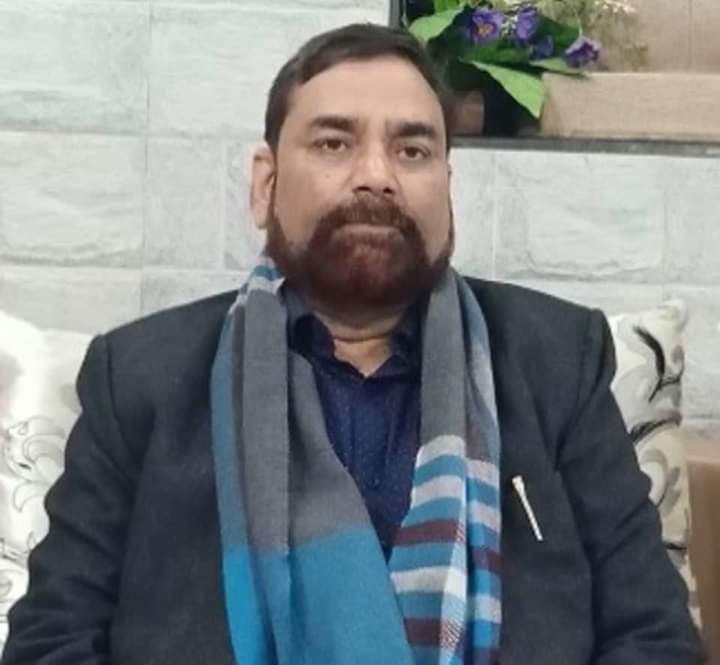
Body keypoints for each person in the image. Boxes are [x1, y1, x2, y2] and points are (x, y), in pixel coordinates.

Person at [4, 23, 703, 665]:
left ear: (447, 188)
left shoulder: (557, 361)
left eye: (412, 149)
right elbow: (50, 642)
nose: (377, 175)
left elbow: (655, 638)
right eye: (334, 143)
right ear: (265, 184)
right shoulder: (142, 378)